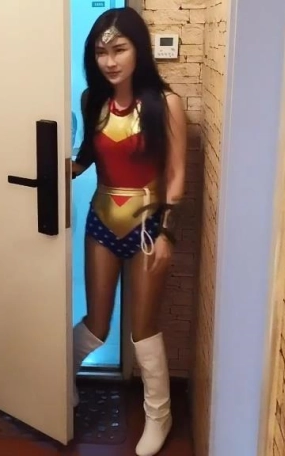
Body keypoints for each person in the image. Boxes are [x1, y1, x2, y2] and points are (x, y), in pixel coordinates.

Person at [70, 7, 187, 456]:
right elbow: (87, 156)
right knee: (97, 326)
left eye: (119, 49)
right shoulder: (92, 100)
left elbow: (175, 175)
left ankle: (159, 415)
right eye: (101, 52)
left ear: (139, 49)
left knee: (143, 329)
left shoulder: (165, 103)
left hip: (147, 227)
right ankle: (59, 381)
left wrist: (167, 234)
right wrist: (56, 169)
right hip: (101, 221)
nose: (110, 61)